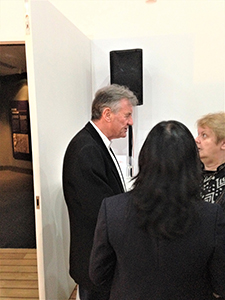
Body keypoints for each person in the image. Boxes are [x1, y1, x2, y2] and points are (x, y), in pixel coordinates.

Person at [89, 120, 225, 300]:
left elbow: (98, 275)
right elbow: (220, 282)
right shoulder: (211, 216)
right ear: (192, 163)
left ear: (144, 158)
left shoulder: (112, 209)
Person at [62, 84, 138, 300]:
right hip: (94, 262)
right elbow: (101, 213)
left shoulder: (95, 144)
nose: (130, 122)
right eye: (127, 115)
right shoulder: (87, 149)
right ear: (107, 114)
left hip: (97, 260)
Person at [195, 112, 225, 211]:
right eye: (198, 134)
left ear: (223, 144)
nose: (196, 140)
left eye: (204, 135)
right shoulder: (190, 171)